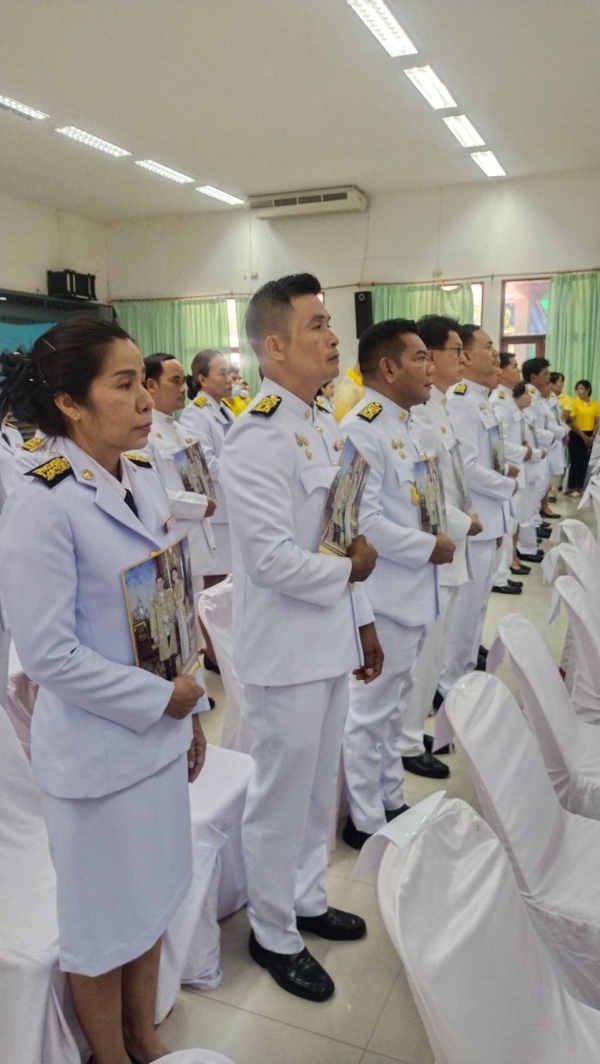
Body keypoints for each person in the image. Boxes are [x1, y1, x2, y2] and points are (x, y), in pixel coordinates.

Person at [0, 320, 208, 1064]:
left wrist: (192, 711)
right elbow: (49, 654)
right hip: (96, 757)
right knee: (99, 923)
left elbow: (170, 602)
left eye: (142, 381)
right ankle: (109, 1053)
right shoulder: (42, 501)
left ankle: (141, 1030)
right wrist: (161, 702)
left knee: (150, 898)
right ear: (70, 403)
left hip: (158, 739)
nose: (146, 399)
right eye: (123, 385)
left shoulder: (141, 472)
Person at [220, 273, 382, 1003]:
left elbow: (338, 532)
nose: (333, 336)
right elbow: (269, 560)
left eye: (329, 321)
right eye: (316, 324)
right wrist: (350, 574)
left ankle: (308, 900)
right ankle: (273, 931)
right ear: (274, 346)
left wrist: (359, 616)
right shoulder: (257, 434)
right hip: (285, 652)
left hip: (327, 640)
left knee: (320, 792)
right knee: (280, 800)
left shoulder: (318, 422)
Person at [340, 320, 456, 842]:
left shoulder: (407, 425)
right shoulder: (362, 429)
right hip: (383, 599)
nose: (430, 368)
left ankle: (389, 797)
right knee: (370, 714)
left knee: (395, 708)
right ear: (387, 368)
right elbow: (362, 524)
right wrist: (429, 547)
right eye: (419, 358)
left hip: (412, 595)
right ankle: (364, 820)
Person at [403, 315, 482, 777]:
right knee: (426, 651)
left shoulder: (440, 407)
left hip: (452, 543)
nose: (463, 359)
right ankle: (407, 739)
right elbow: (423, 491)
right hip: (438, 546)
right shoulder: (420, 413)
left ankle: (413, 731)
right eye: (457, 350)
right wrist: (462, 523)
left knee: (434, 652)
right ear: (431, 356)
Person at [439, 325, 519, 697]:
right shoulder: (459, 401)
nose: (495, 353)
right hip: (473, 521)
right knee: (464, 612)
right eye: (488, 346)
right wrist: (508, 486)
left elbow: (491, 457)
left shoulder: (480, 399)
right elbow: (467, 470)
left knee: (478, 607)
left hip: (489, 519)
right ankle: (451, 683)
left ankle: (466, 670)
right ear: (466, 356)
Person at [142, 353, 218, 667]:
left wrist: (207, 501)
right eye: (174, 381)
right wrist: (202, 505)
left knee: (198, 624)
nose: (183, 388)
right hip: (173, 540)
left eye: (182, 380)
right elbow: (153, 491)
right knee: (181, 632)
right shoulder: (144, 434)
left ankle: (200, 682)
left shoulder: (182, 430)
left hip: (198, 539)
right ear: (151, 385)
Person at [180, 350, 233, 671]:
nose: (229, 378)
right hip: (216, 511)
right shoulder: (196, 414)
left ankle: (223, 647)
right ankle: (212, 651)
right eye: (221, 373)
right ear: (201, 379)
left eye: (229, 372)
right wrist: (242, 473)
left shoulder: (223, 409)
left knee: (227, 584)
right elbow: (203, 462)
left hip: (230, 508)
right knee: (213, 587)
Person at [489, 353, 531, 592]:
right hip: (506, 472)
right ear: (502, 371)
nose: (518, 371)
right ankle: (499, 577)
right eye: (514, 366)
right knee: (504, 526)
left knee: (511, 523)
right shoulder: (498, 401)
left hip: (515, 471)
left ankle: (505, 570)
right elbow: (500, 444)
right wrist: (528, 453)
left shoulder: (507, 399)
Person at [566, 379, 600, 494]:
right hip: (576, 434)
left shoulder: (595, 404)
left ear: (588, 390)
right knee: (575, 461)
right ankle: (571, 487)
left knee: (584, 462)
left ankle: (580, 487)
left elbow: (597, 421)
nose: (579, 391)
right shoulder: (574, 403)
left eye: (581, 389)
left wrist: (593, 436)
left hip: (590, 434)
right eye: (578, 389)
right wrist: (583, 436)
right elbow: (571, 421)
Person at [149, 573, 178, 680]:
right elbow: (153, 618)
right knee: (165, 655)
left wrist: (172, 614)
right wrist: (154, 634)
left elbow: (173, 607)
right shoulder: (153, 600)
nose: (160, 584)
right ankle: (170, 678)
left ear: (163, 582)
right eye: (158, 583)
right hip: (161, 631)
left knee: (172, 652)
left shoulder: (169, 594)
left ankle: (176, 675)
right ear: (156, 585)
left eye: (161, 582)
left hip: (170, 627)